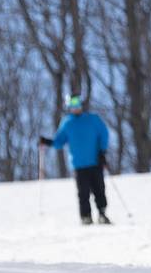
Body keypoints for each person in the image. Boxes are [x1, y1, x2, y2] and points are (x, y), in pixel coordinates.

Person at [39, 94, 111, 225]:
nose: (76, 107)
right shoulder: (67, 123)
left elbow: (104, 134)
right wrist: (47, 142)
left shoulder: (93, 119)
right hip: (79, 164)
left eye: (77, 104)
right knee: (83, 192)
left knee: (99, 189)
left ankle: (102, 213)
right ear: (69, 107)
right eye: (72, 105)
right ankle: (86, 217)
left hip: (95, 161)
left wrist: (102, 151)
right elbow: (59, 142)